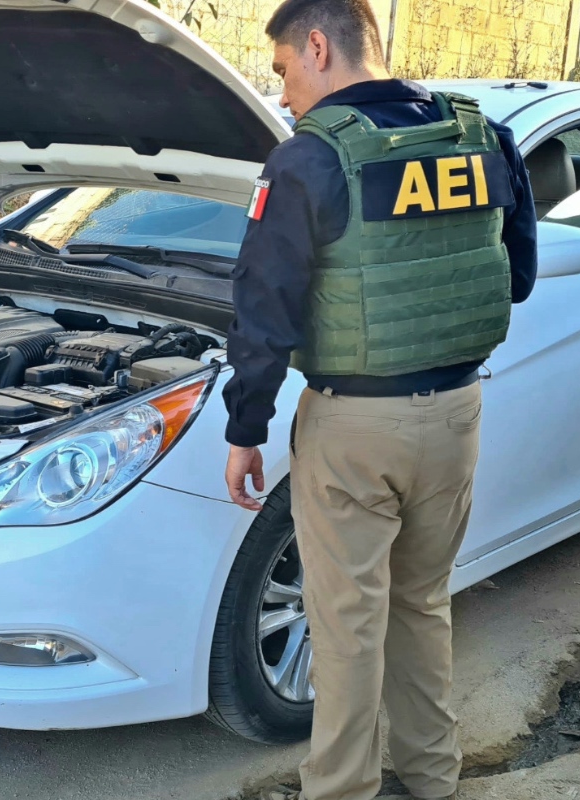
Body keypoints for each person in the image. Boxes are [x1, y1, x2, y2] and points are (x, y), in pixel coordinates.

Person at [219, 2, 538, 799]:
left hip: (353, 426)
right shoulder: (480, 135)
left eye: (286, 69)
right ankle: (434, 776)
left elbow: (266, 306)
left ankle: (342, 791)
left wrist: (245, 427)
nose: (284, 92)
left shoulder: (308, 159)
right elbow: (519, 275)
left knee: (347, 626)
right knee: (422, 604)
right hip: (457, 415)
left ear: (319, 47)